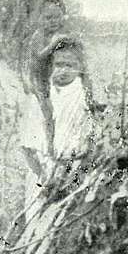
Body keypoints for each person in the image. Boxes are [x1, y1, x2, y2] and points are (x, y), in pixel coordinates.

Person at [19, 36, 99, 206]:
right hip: (42, 172)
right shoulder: (40, 98)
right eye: (59, 65)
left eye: (70, 65)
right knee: (38, 214)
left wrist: (79, 169)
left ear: (80, 68)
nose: (63, 70)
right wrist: (42, 175)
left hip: (74, 168)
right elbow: (26, 146)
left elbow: (92, 139)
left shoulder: (83, 96)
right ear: (50, 67)